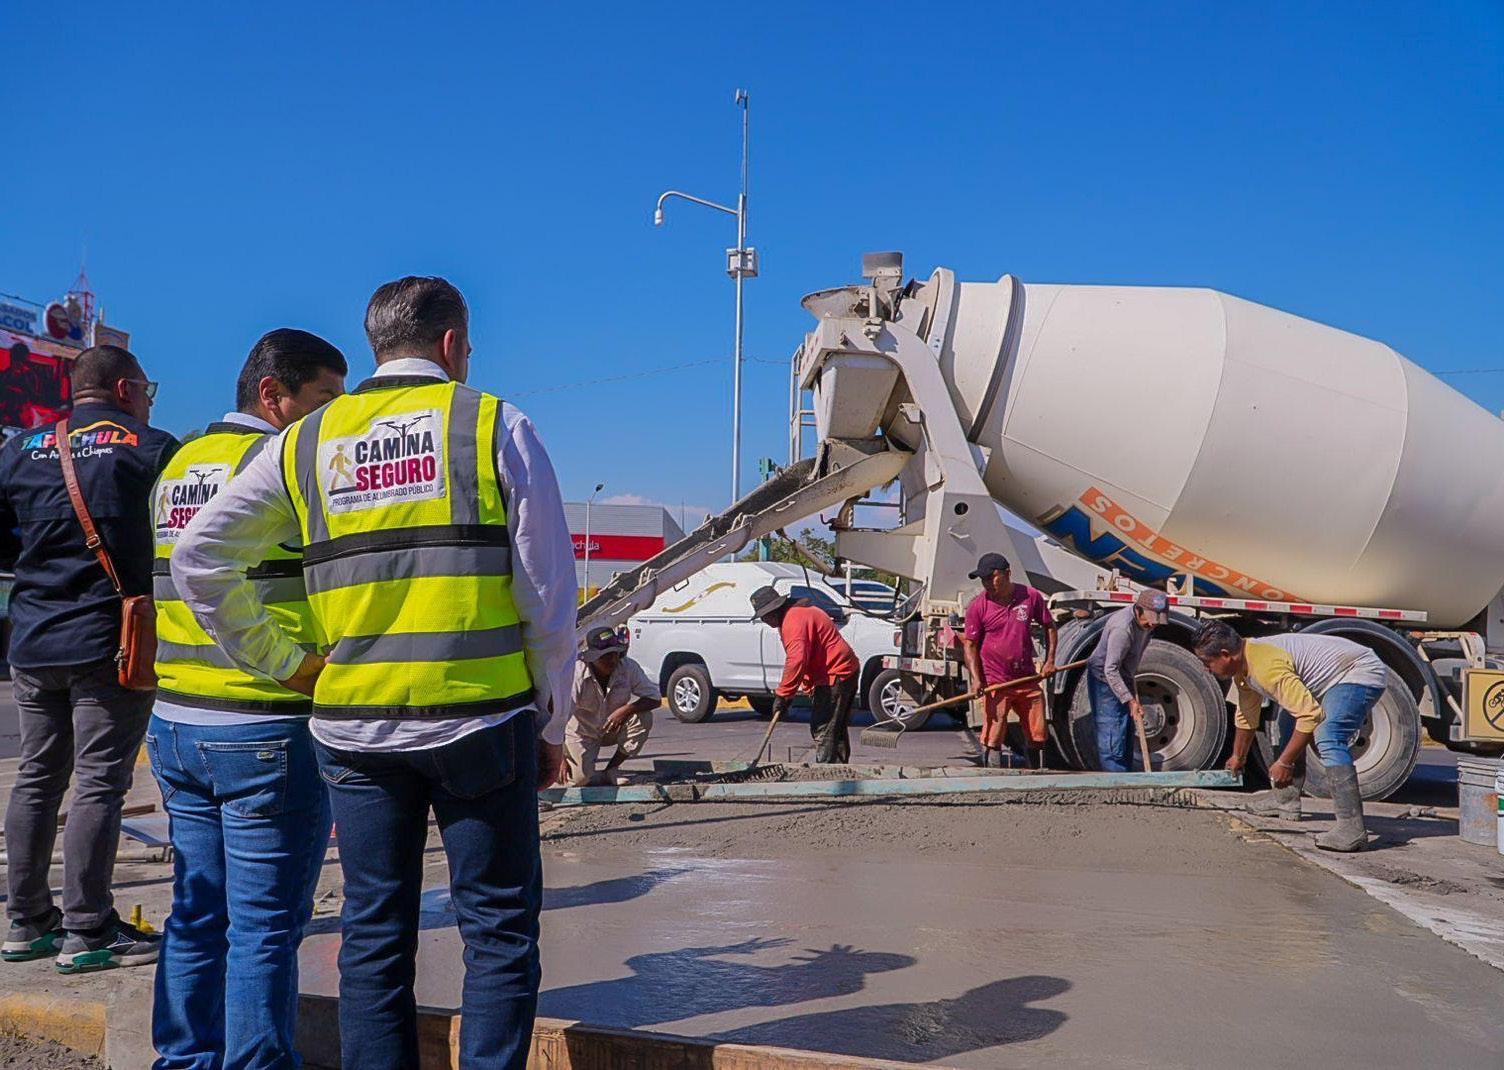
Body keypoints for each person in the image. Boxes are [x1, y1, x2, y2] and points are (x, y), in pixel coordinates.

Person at [173, 277, 577, 1069]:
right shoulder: (491, 423)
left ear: (376, 345)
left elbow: (199, 558)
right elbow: (548, 596)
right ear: (452, 346)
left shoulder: (306, 442)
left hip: (353, 731)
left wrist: (288, 665)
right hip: (479, 721)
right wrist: (553, 720)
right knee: (497, 934)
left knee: (373, 933)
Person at [147, 329, 346, 1069]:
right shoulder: (283, 464)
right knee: (263, 926)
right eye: (324, 398)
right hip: (263, 723)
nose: (333, 416)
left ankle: (183, 1060)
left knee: (196, 913)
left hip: (175, 723)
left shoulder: (179, 463)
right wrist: (295, 666)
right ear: (274, 394)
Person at [0, 345, 178, 971]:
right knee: (101, 781)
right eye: (147, 389)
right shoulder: (150, 449)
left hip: (31, 640)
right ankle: (89, 928)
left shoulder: (19, 450)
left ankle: (26, 922)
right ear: (126, 389)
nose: (149, 401)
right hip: (110, 643)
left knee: (37, 776)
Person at [1193, 621, 1387, 852]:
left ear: (1225, 655)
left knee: (1329, 734)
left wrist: (1285, 762)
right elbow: (1246, 715)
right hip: (1335, 674)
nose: (1207, 669)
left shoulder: (1265, 667)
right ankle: (1285, 800)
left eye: (1207, 663)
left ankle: (1351, 829)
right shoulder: (1245, 666)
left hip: (1359, 671)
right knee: (1287, 723)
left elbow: (1310, 715)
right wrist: (1238, 756)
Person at [961, 553, 1058, 769]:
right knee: (993, 732)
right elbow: (970, 645)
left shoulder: (1030, 597)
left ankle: (1037, 774)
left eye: (991, 578)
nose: (987, 584)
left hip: (1026, 677)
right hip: (996, 680)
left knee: (1037, 732)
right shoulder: (978, 606)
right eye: (983, 580)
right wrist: (976, 679)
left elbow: (1050, 626)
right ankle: (992, 774)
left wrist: (1050, 661)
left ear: (1007, 574)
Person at [750, 585, 860, 764]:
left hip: (835, 672)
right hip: (844, 670)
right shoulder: (795, 614)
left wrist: (783, 695)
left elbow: (796, 660)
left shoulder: (793, 620)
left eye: (765, 616)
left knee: (823, 727)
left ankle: (825, 771)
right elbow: (806, 658)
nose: (764, 620)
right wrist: (799, 690)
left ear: (774, 610)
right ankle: (838, 770)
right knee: (835, 728)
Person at [1085, 588, 1169, 771]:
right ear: (1138, 610)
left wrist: (1130, 682)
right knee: (1112, 734)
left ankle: (1127, 777)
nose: (1152, 625)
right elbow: (1110, 669)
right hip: (1105, 679)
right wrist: (1130, 700)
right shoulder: (1122, 629)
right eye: (1150, 620)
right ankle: (1116, 781)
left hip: (1124, 675)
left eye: (1157, 621)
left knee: (1126, 731)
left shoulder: (1148, 625)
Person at [565, 626, 659, 786]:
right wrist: (560, 757)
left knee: (643, 717)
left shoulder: (628, 667)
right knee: (579, 780)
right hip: (582, 732)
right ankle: (588, 775)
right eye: (605, 656)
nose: (612, 660)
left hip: (612, 727)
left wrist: (625, 710)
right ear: (593, 657)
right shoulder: (577, 674)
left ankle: (611, 769)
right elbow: (559, 718)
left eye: (615, 654)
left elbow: (654, 698)